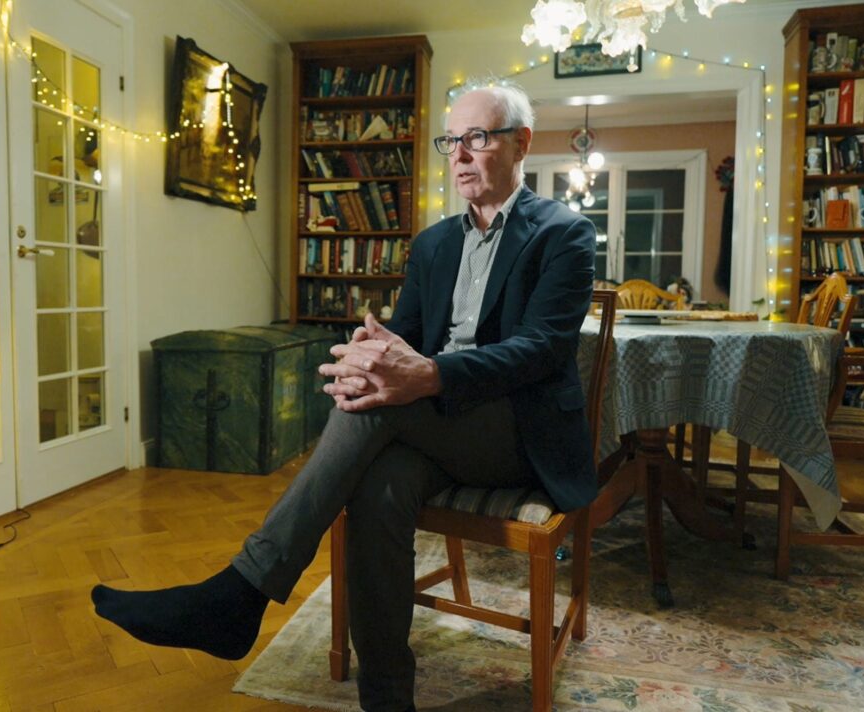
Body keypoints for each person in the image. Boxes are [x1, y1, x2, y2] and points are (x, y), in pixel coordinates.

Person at [91, 80, 596, 712]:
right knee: (378, 486)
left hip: (517, 435)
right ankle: (386, 696)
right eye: (451, 141)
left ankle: (241, 591)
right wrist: (370, 355)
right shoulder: (434, 243)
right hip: (435, 426)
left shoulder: (564, 234)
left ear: (521, 143)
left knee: (376, 409)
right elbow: (405, 335)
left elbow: (542, 350)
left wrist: (427, 375)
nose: (461, 155)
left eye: (477, 138)